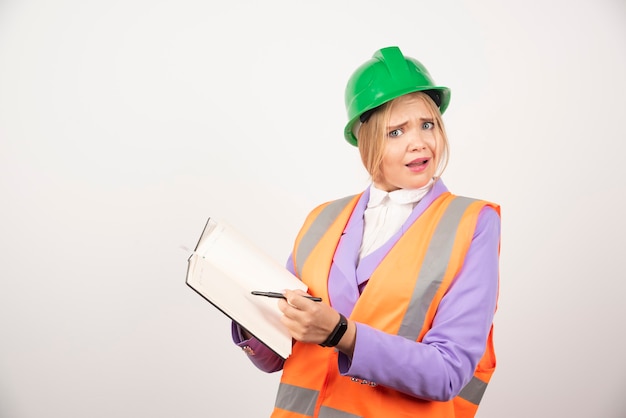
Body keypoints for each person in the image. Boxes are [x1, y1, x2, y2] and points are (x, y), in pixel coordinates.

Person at [232, 45, 501, 418]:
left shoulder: (472, 223)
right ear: (365, 141)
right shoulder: (321, 220)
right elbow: (279, 355)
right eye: (396, 131)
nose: (419, 141)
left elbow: (449, 373)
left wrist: (340, 333)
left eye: (427, 124)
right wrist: (246, 314)